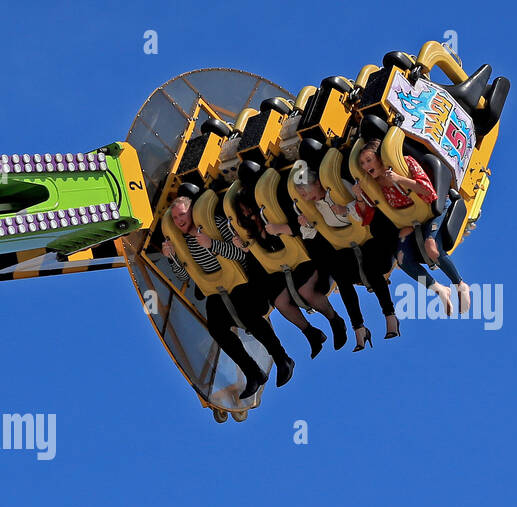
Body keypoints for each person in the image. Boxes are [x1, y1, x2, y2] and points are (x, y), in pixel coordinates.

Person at [161, 196, 295, 397]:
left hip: (243, 280)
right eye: (175, 218)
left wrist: (212, 244)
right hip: (217, 288)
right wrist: (172, 258)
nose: (179, 220)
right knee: (216, 327)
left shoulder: (214, 224)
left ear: (192, 212)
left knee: (246, 312)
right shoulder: (184, 243)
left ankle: (281, 358)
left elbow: (241, 253)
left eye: (182, 214)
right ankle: (253, 372)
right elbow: (184, 276)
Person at [288, 159, 397, 350]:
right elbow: (311, 234)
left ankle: (390, 316)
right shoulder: (314, 207)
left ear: (317, 183)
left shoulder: (339, 188)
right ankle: (359, 328)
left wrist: (346, 209)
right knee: (341, 276)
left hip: (369, 237)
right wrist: (306, 224)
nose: (303, 195)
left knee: (370, 267)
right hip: (346, 247)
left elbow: (366, 208)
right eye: (300, 193)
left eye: (304, 189)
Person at [354, 139, 470, 318]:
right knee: (402, 260)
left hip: (432, 209)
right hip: (410, 220)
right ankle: (439, 289)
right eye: (362, 163)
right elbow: (367, 215)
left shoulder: (406, 163)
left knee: (431, 247)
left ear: (380, 157)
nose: (365, 166)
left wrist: (399, 179)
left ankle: (460, 284)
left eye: (369, 160)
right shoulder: (374, 185)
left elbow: (429, 192)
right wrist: (359, 197)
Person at [227, 188, 343, 357]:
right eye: (243, 212)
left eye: (248, 209)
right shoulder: (250, 232)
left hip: (305, 260)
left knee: (306, 291)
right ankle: (311, 333)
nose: (247, 214)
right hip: (280, 269)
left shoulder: (275, 215)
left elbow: (302, 228)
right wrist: (244, 248)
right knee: (280, 302)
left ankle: (335, 320)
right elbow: (257, 258)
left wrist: (280, 228)